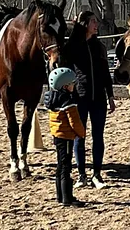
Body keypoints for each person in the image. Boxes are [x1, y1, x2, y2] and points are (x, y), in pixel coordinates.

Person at [63, 11, 117, 189]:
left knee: (98, 136)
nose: (97, 24)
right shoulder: (72, 46)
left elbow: (104, 74)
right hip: (79, 98)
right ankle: (81, 174)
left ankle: (97, 174)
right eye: (93, 21)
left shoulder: (99, 46)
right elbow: (66, 72)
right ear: (85, 24)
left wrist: (110, 95)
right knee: (80, 136)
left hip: (99, 98)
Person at [43, 67, 86, 207]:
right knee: (66, 168)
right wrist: (82, 133)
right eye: (73, 83)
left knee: (60, 166)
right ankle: (68, 198)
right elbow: (75, 121)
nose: (74, 85)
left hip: (57, 135)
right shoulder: (68, 101)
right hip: (67, 137)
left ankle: (60, 196)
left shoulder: (51, 98)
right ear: (65, 85)